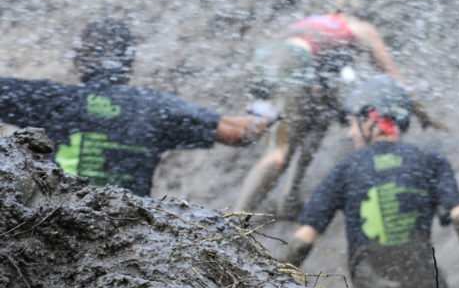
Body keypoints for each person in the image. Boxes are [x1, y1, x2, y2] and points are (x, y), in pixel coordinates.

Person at [283, 76, 459, 288]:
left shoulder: (346, 169)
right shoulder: (430, 161)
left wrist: (274, 283)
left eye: (352, 123)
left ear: (371, 119)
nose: (350, 133)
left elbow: (303, 240)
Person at [0, 18, 271, 196]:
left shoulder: (52, 99)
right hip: (129, 225)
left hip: (60, 215)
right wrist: (267, 106)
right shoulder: (156, 108)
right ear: (129, 62)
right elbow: (241, 133)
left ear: (81, 59)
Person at [234, 2, 442, 219]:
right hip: (293, 61)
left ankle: (289, 199)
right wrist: (422, 113)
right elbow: (394, 78)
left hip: (266, 60)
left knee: (320, 116)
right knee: (279, 152)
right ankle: (236, 220)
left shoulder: (316, 25)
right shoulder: (361, 28)